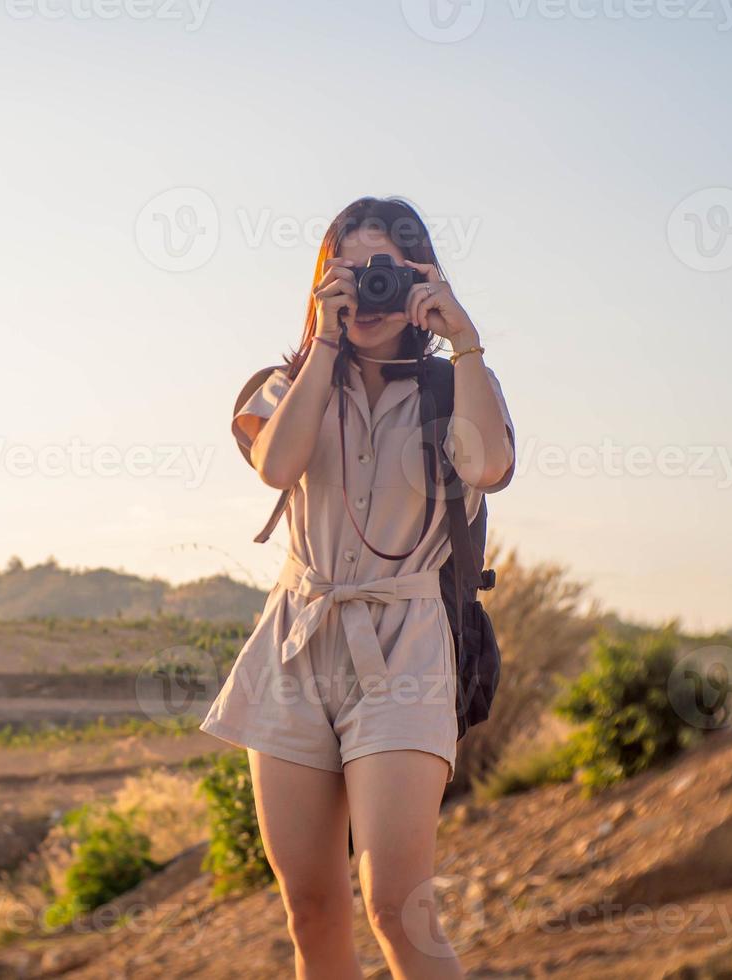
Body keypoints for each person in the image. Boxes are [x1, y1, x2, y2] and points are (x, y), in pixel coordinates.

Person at [199, 196, 516, 979]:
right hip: (296, 640)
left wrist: (465, 340)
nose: (371, 289)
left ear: (420, 281)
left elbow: (488, 468)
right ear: (324, 278)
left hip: (408, 644)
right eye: (354, 270)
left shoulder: (456, 388)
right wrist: (326, 345)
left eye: (389, 272)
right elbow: (276, 465)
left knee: (394, 905)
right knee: (309, 907)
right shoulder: (277, 386)